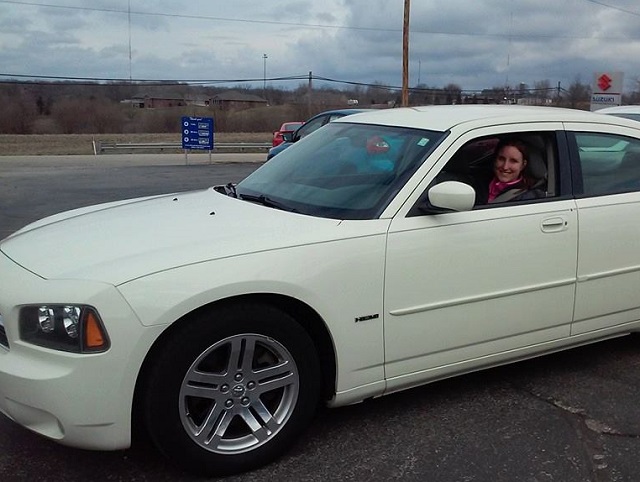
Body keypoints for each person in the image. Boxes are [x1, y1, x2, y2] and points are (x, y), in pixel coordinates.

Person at [476, 138, 545, 204]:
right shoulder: (479, 182)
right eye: (501, 159)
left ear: (523, 165)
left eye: (513, 161)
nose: (505, 167)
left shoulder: (528, 197)